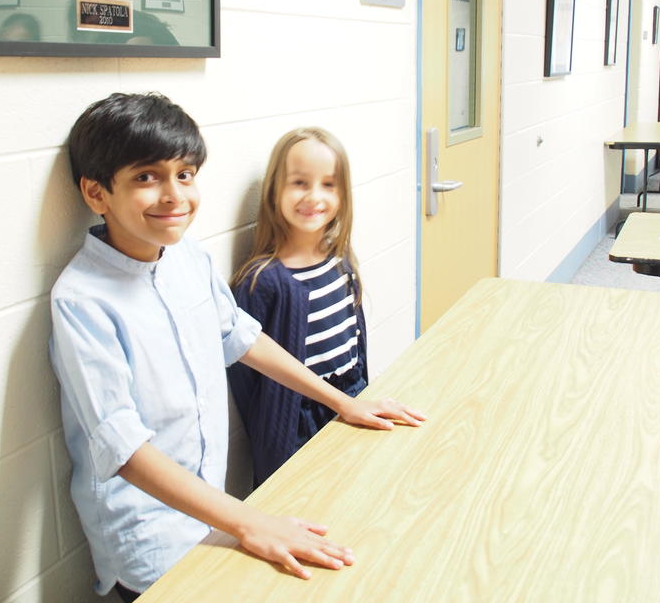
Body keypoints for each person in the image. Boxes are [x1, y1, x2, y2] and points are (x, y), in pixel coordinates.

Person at [49, 93, 425, 600]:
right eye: (146, 177)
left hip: (216, 513)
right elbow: (124, 449)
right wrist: (252, 523)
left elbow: (241, 337)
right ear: (97, 193)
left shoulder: (187, 258)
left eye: (185, 174)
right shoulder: (82, 300)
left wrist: (344, 402)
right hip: (147, 539)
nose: (174, 195)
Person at [228, 128, 379, 487]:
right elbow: (247, 380)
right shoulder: (260, 282)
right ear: (274, 191)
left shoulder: (340, 261)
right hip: (296, 427)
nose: (314, 196)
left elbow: (354, 347)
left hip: (352, 398)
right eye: (299, 183)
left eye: (328, 184)